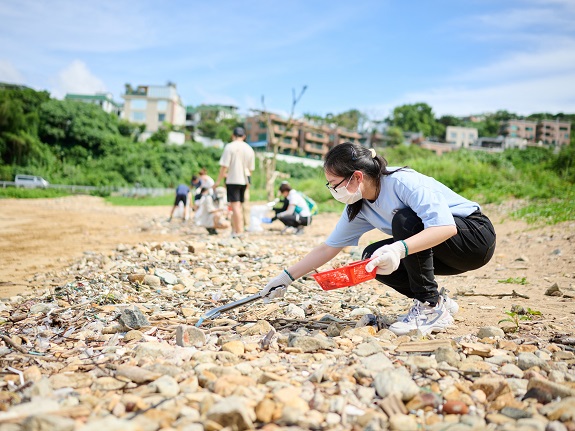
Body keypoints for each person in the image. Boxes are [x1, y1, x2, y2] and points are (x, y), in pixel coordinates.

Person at [260, 142, 496, 336]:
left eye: (334, 184)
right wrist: (286, 278)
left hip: (474, 239)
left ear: (357, 177)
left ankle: (429, 307)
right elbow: (328, 248)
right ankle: (437, 301)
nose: (332, 191)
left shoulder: (402, 182)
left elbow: (444, 227)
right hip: (444, 252)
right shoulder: (358, 206)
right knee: (371, 259)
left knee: (405, 220)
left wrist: (399, 249)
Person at [214, 127, 255, 237]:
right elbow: (251, 169)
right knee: (239, 205)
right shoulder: (249, 148)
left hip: (233, 179)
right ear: (244, 137)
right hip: (245, 180)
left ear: (233, 135)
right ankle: (236, 230)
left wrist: (218, 181)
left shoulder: (230, 147)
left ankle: (239, 231)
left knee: (235, 206)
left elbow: (224, 167)